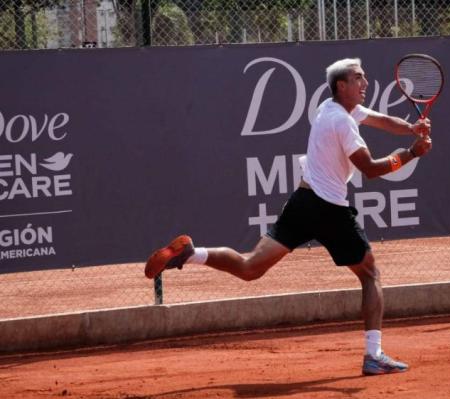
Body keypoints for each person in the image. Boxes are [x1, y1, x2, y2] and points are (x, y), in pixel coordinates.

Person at [144, 58, 432, 376]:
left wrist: (410, 129)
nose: (365, 84)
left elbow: (378, 119)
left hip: (303, 201)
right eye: (358, 78)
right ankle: (373, 355)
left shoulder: (330, 108)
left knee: (250, 266)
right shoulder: (343, 123)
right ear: (342, 85)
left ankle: (191, 254)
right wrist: (412, 153)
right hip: (330, 209)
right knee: (370, 274)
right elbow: (372, 170)